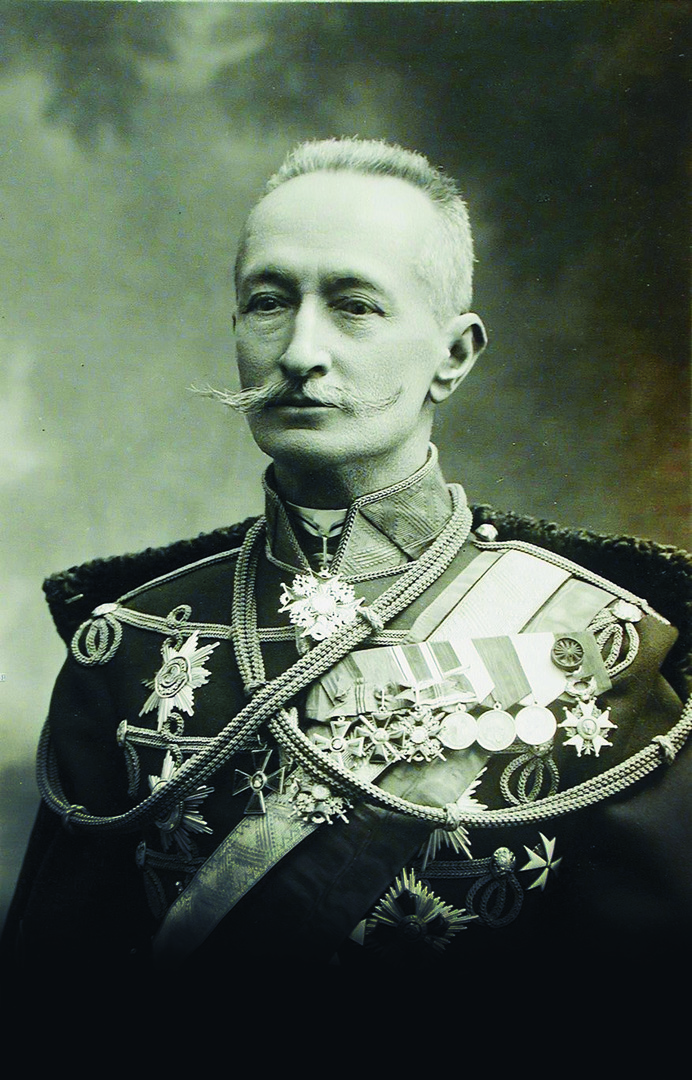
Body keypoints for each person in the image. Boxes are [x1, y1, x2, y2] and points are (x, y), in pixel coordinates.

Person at [3, 137, 691, 981]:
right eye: (268, 302)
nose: (299, 353)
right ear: (236, 329)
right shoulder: (132, 643)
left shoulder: (601, 646)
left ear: (454, 356)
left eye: (355, 306)